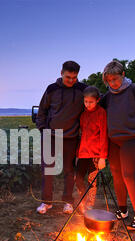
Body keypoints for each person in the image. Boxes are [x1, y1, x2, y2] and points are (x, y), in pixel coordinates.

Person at [100, 60, 135, 229]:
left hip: (131, 139)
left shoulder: (134, 90)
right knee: (116, 174)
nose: (113, 83)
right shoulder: (108, 96)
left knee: (128, 175)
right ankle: (123, 210)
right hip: (113, 141)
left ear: (123, 75)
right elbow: (95, 110)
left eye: (115, 79)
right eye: (109, 80)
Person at [35, 61, 87, 214]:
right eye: (68, 77)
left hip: (71, 137)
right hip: (51, 135)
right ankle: (46, 202)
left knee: (69, 170)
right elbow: (42, 111)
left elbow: (97, 101)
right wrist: (42, 129)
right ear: (61, 73)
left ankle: (68, 202)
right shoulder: (51, 89)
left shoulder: (83, 89)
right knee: (48, 170)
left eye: (74, 77)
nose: (71, 80)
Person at [75, 86, 108, 213]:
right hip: (82, 153)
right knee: (78, 178)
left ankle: (90, 204)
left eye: (91, 102)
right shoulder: (83, 115)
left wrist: (103, 157)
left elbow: (104, 135)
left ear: (97, 100)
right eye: (85, 101)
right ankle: (83, 201)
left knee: (92, 181)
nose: (87, 104)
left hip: (95, 154)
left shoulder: (101, 113)